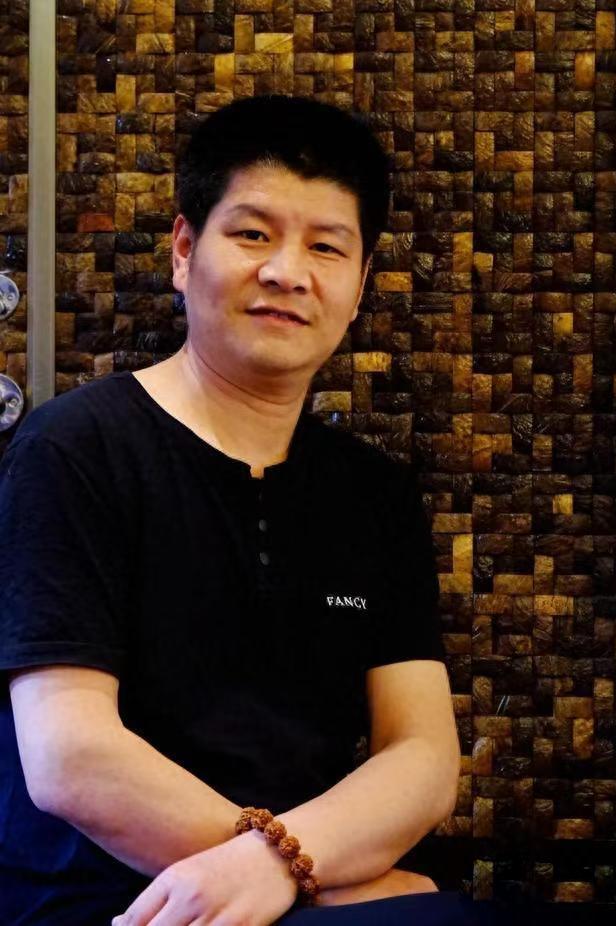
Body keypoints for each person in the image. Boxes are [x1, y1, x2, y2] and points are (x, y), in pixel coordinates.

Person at [0, 94, 480, 926]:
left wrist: (281, 869)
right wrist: (302, 878)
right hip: (112, 905)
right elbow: (71, 757)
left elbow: (423, 756)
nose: (288, 272)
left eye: (325, 246)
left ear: (359, 286)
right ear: (185, 251)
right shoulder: (73, 450)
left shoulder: (373, 494)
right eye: (253, 234)